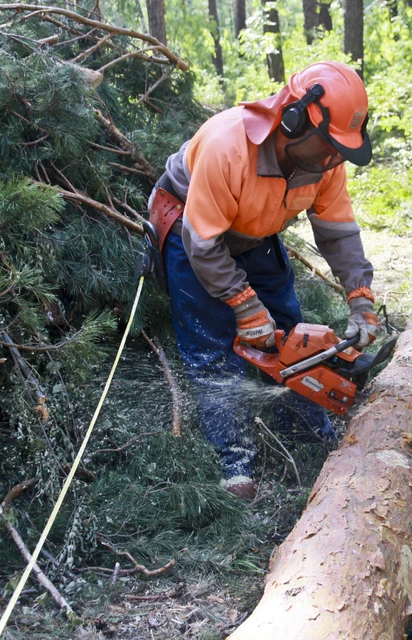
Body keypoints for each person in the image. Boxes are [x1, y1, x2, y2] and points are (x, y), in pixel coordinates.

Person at [147, 61, 380, 500]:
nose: (332, 157)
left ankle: (305, 430)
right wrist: (242, 303)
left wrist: (360, 297)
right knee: (214, 350)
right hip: (191, 230)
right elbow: (203, 243)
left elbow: (338, 231)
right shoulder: (227, 146)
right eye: (326, 145)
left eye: (339, 148)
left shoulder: (326, 161)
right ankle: (234, 460)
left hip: (256, 232)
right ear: (292, 121)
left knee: (290, 332)